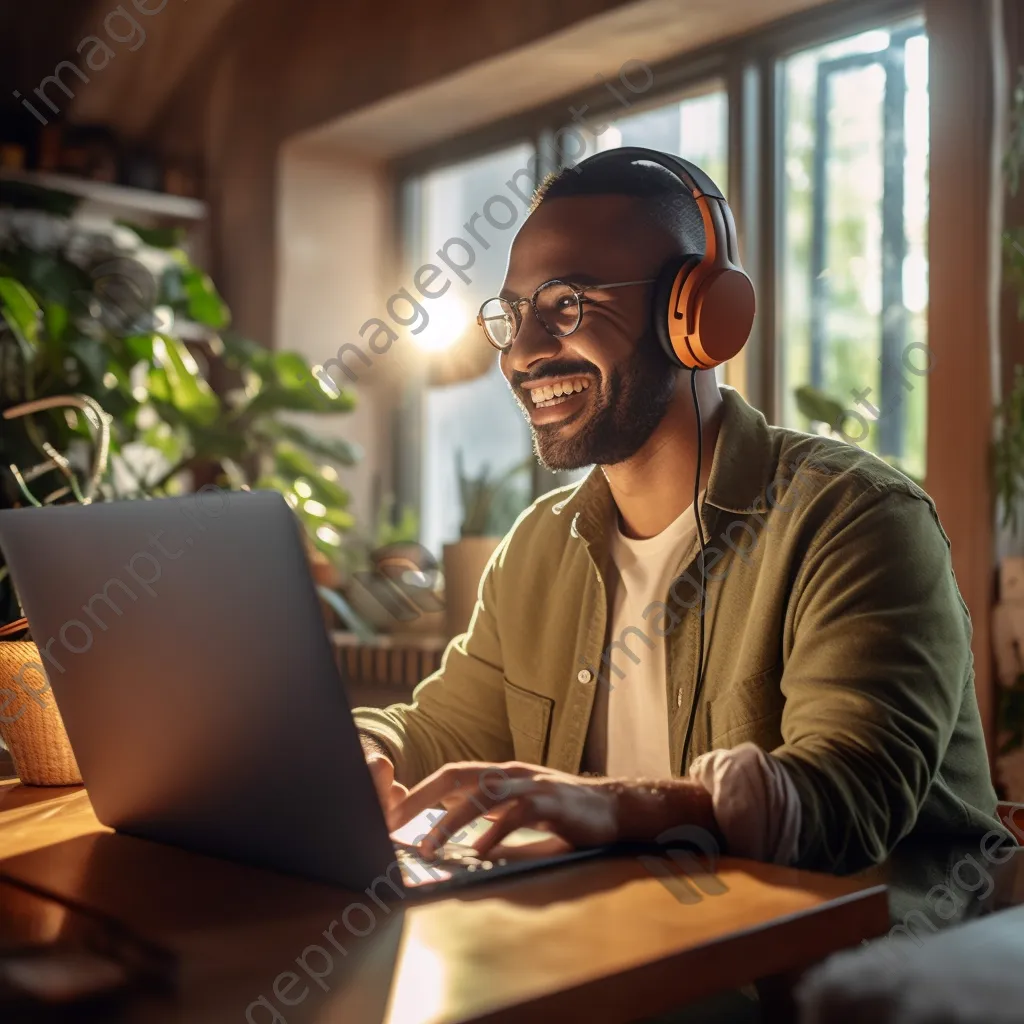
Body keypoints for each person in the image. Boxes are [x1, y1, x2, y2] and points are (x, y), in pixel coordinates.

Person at [354, 150, 1012, 921]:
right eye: (513, 315)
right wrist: (366, 755)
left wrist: (613, 805)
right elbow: (440, 727)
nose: (522, 352)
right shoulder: (536, 548)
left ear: (697, 316)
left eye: (565, 304)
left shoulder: (855, 518)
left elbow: (848, 800)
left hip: (856, 981)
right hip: (635, 954)